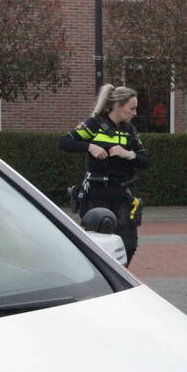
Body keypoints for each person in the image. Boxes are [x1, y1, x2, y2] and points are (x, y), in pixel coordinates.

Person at [59, 84, 149, 265]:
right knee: (97, 245)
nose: (134, 113)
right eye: (131, 108)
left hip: (122, 194)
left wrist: (127, 154)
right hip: (96, 194)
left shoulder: (129, 130)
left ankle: (120, 277)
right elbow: (64, 142)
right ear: (118, 105)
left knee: (128, 245)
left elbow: (144, 160)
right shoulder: (94, 125)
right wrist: (90, 146)